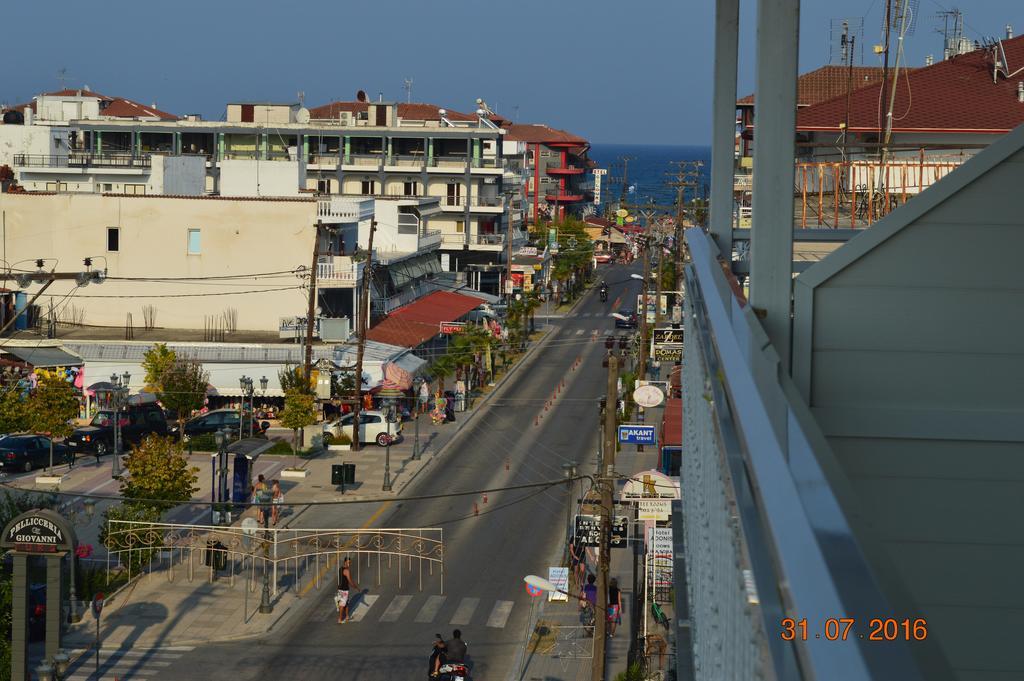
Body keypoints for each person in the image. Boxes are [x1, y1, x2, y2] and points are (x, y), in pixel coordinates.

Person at [336, 556, 359, 623]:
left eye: (350, 563)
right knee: (342, 605)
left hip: (340, 589)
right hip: (344, 590)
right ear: (345, 562)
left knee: (346, 603)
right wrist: (356, 587)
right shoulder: (346, 570)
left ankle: (347, 616)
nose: (349, 564)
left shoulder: (340, 569)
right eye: (348, 562)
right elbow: (350, 581)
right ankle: (340, 619)